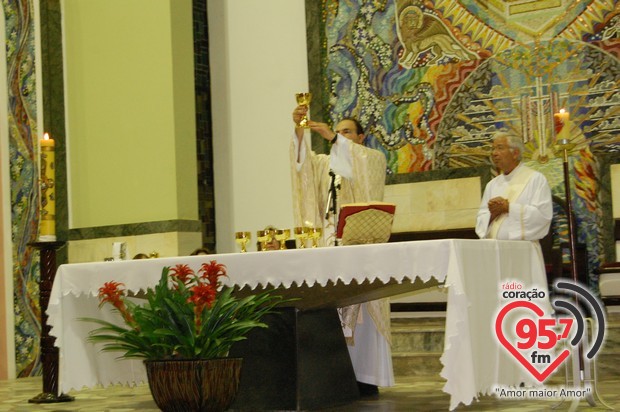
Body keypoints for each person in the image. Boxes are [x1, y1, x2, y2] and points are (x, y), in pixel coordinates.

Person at [290, 104, 394, 396]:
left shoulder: (371, 157)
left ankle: (364, 376)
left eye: (347, 132)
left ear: (361, 138)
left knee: (361, 311)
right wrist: (299, 130)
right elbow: (302, 169)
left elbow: (362, 167)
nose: (340, 136)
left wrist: (334, 139)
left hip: (360, 246)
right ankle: (333, 375)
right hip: (328, 244)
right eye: (337, 132)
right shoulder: (325, 164)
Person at [476, 131, 553, 241]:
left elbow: (542, 216)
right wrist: (492, 214)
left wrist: (509, 208)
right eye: (493, 149)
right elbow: (481, 219)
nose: (494, 153)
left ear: (515, 153)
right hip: (494, 249)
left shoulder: (535, 179)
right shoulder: (492, 185)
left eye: (500, 148)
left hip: (523, 249)